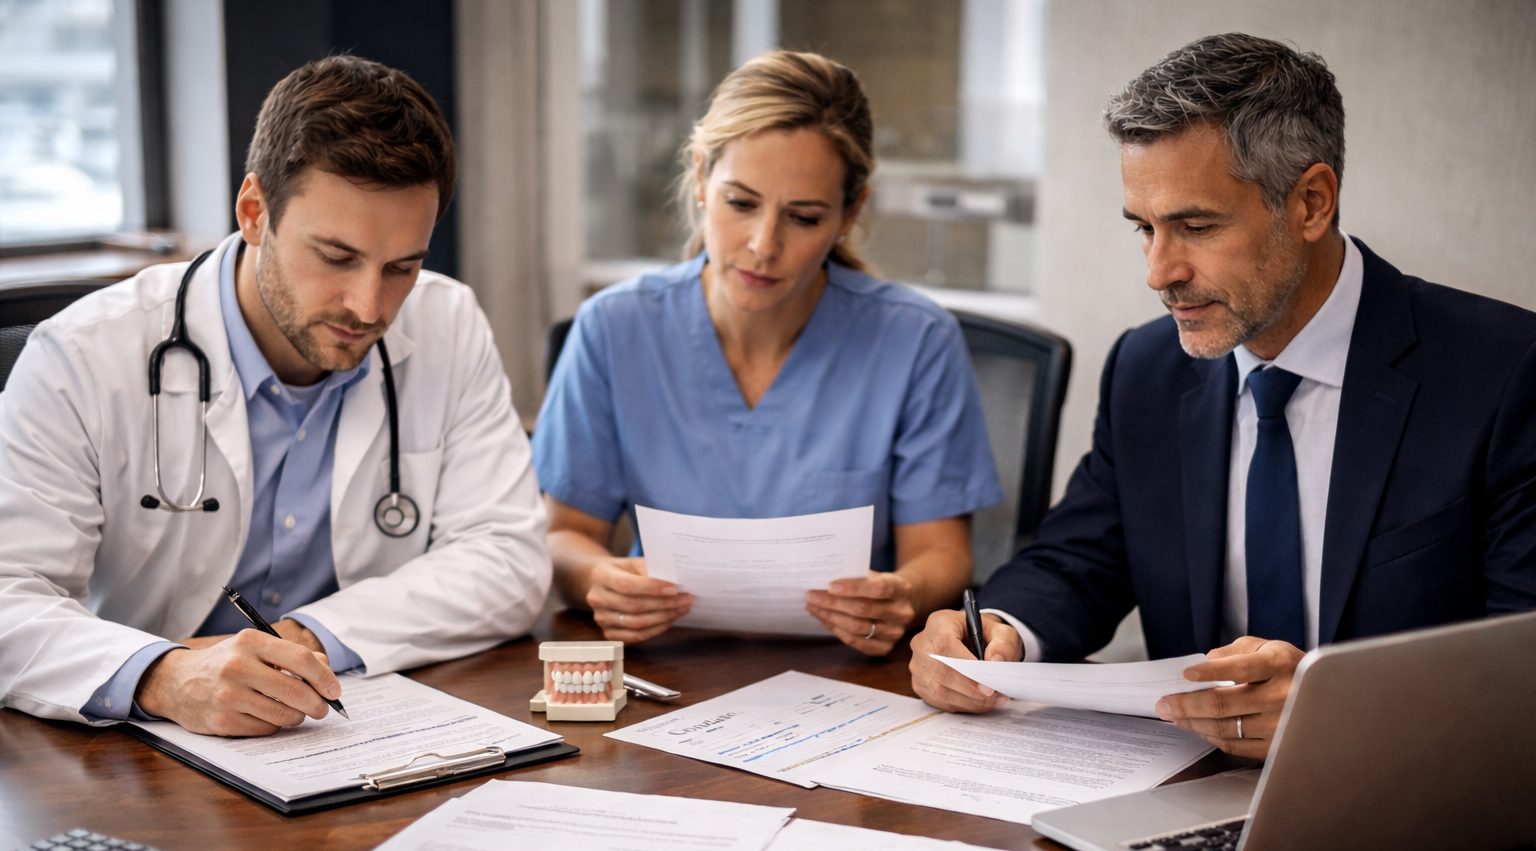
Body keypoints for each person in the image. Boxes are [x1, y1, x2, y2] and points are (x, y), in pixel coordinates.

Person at [910, 33, 1536, 757]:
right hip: (1186, 792)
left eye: (1195, 227)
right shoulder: (1146, 369)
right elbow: (1077, 560)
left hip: (1409, 796)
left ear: (1310, 202)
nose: (1158, 272)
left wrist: (1339, 710)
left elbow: (1520, 661)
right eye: (1144, 229)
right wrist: (996, 633)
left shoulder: (1503, 373)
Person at [0, 56, 550, 736]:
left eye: (403, 267)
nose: (369, 305)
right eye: (337, 257)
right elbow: (8, 600)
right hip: (140, 753)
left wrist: (301, 643)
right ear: (255, 212)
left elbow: (508, 560)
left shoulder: (447, 321)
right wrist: (165, 675)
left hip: (348, 731)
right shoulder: (82, 355)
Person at [532, 50, 1001, 656]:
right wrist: (600, 579)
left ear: (849, 214)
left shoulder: (914, 341)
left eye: (803, 217)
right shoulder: (612, 329)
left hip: (850, 681)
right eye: (741, 203)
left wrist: (901, 592)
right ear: (701, 179)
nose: (763, 245)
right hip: (666, 672)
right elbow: (565, 534)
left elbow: (941, 553)